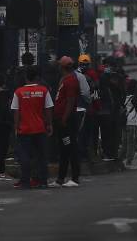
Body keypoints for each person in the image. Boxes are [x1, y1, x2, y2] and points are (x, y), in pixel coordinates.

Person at [10, 65, 53, 189]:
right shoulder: (44, 90)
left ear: (26, 77)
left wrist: (16, 127)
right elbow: (48, 109)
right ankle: (42, 181)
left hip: (24, 130)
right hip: (40, 128)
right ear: (37, 77)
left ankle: (25, 181)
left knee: (25, 156)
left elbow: (16, 111)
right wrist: (49, 124)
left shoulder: (18, 92)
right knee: (41, 156)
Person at [53, 55, 83, 187]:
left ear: (63, 67)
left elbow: (70, 102)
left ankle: (75, 178)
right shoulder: (65, 79)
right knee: (64, 149)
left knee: (70, 147)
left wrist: (64, 118)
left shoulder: (70, 81)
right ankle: (61, 178)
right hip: (63, 119)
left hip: (67, 121)